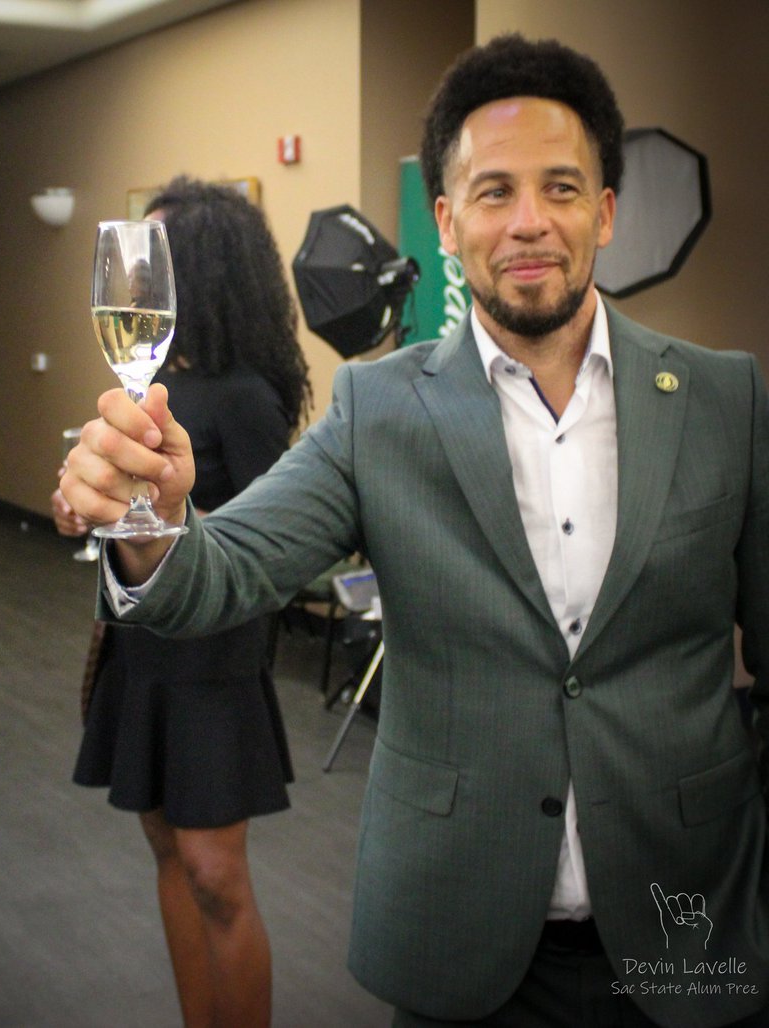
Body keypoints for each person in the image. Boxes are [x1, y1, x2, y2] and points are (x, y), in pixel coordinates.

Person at [62, 36, 769, 1028]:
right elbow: (222, 570)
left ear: (605, 209)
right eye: (492, 192)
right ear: (446, 218)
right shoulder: (377, 408)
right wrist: (153, 525)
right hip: (464, 944)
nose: (528, 222)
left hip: (692, 931)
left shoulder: (723, 396)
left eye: (561, 188)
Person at [60, 176, 311, 1028]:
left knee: (216, 874)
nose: (142, 283)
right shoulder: (151, 393)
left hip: (214, 664)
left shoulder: (246, 398)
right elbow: (128, 526)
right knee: (168, 852)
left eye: (161, 260)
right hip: (144, 651)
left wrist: (172, 518)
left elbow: (271, 543)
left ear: (203, 271)